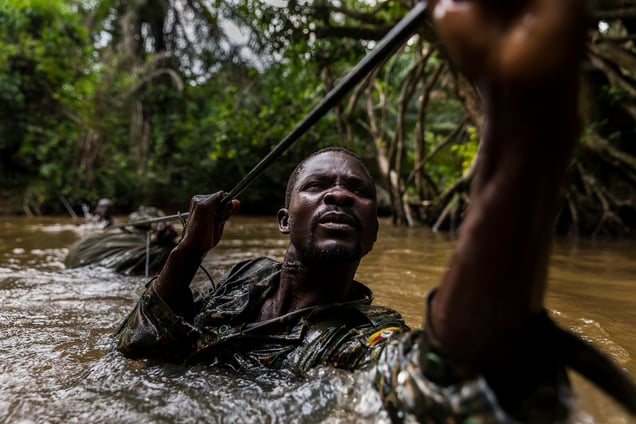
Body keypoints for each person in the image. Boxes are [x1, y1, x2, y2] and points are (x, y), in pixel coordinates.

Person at [114, 0, 636, 422]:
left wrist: (523, 127)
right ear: (282, 219)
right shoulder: (248, 276)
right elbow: (135, 345)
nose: (339, 195)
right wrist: (187, 251)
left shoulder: (369, 337)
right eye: (318, 186)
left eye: (357, 192)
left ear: (373, 236)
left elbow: (447, 391)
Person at [65, 205, 179, 276]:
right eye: (101, 207)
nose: (103, 210)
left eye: (106, 208)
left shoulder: (114, 223)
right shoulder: (95, 221)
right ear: (96, 208)